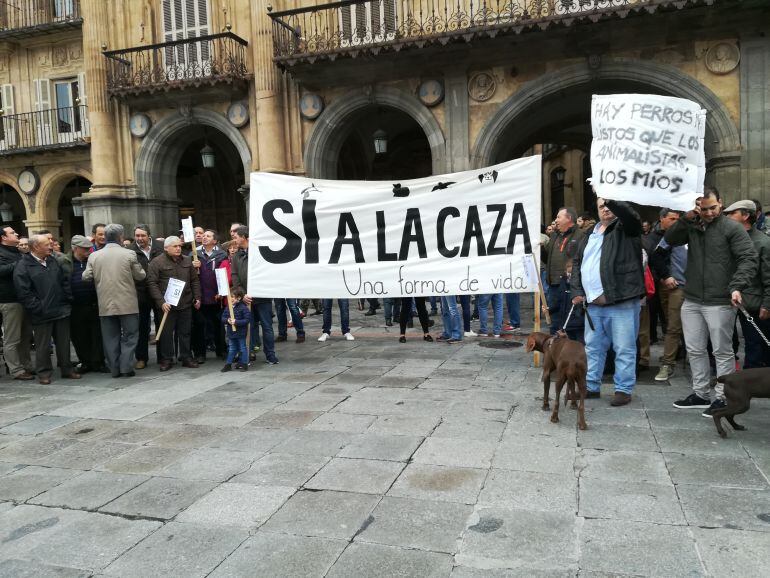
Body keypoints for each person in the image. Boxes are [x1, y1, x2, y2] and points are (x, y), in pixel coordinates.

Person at [665, 189, 757, 415]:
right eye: (702, 208)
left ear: (721, 204)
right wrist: (685, 220)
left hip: (720, 299)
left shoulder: (731, 227)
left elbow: (748, 258)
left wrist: (737, 286)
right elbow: (670, 239)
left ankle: (723, 397)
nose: (708, 213)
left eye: (712, 208)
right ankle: (700, 394)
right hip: (693, 298)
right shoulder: (693, 226)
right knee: (695, 349)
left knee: (722, 351)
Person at [571, 197, 644, 407]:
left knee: (624, 348)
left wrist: (610, 196)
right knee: (593, 348)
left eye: (609, 205)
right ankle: (591, 386)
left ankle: (623, 389)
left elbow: (632, 217)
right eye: (602, 205)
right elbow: (578, 264)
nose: (606, 209)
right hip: (593, 304)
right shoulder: (589, 233)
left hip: (621, 301)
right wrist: (576, 290)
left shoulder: (626, 229)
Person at [13, 234, 80, 385]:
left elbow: (63, 281)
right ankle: (44, 373)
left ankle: (67, 369)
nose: (51, 246)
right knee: (42, 345)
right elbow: (24, 292)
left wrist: (67, 299)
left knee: (63, 343)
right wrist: (38, 307)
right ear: (36, 247)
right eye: (46, 244)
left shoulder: (52, 260)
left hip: (61, 309)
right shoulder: (23, 266)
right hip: (41, 313)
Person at [82, 224, 146, 378]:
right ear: (120, 237)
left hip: (105, 303)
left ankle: (115, 369)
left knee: (110, 338)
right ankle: (125, 367)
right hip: (127, 303)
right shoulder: (129, 254)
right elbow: (141, 276)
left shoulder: (94, 255)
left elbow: (85, 277)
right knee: (130, 335)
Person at [724, 200, 770, 368]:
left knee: (754, 343)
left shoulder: (763, 242)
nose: (727, 216)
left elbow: (768, 277)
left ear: (745, 216)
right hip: (727, 299)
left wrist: (767, 304)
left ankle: (751, 379)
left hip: (753, 302)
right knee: (727, 340)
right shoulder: (727, 239)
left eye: (731, 213)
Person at [147, 236, 202, 371]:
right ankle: (167, 359)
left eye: (179, 246)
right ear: (166, 248)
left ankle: (186, 356)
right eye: (175, 246)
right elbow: (151, 283)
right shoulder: (157, 262)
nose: (178, 248)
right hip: (167, 305)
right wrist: (161, 302)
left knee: (185, 332)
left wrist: (197, 297)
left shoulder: (187, 260)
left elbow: (194, 280)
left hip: (185, 302)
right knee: (166, 333)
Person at [648, 209, 687, 382]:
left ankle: (708, 364)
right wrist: (666, 275)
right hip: (679, 286)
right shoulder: (672, 236)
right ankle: (668, 364)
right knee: (673, 327)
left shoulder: (705, 233)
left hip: (702, 289)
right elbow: (656, 256)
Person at [231, 226, 278, 364]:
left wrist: (260, 290)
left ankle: (270, 354)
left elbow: (266, 273)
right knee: (249, 327)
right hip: (246, 299)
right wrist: (242, 294)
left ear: (245, 237)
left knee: (267, 326)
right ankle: (249, 353)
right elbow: (235, 277)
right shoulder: (236, 256)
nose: (235, 239)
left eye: (236, 236)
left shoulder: (260, 252)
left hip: (262, 297)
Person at [63, 235, 107, 374]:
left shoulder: (92, 260)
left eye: (89, 248)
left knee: (97, 335)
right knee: (79, 336)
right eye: (85, 248)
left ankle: (98, 362)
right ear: (76, 249)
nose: (89, 250)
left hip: (94, 303)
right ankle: (86, 362)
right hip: (75, 305)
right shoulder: (64, 262)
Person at [0, 226, 34, 380]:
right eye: (12, 233)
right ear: (3, 238)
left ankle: (26, 365)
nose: (17, 234)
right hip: (9, 300)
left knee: (25, 336)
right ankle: (16, 370)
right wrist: (20, 264)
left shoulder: (18, 252)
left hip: (23, 299)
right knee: (12, 338)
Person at [129, 224, 164, 369]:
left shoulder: (160, 246)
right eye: (137, 236)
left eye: (142, 235)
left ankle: (163, 357)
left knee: (161, 323)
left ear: (149, 235)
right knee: (142, 327)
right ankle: (141, 357)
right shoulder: (130, 250)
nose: (140, 239)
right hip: (140, 292)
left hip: (159, 291)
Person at [545, 207, 583, 334]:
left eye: (558, 217)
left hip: (569, 287)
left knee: (569, 322)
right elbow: (548, 258)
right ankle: (554, 350)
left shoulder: (580, 236)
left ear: (569, 219)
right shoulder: (555, 235)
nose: (556, 221)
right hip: (553, 286)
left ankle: (568, 351)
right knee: (554, 322)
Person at [193, 229, 227, 362]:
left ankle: (221, 350)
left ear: (215, 240)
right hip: (200, 296)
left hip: (215, 296)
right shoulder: (194, 253)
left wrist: (221, 292)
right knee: (199, 325)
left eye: (208, 236)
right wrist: (192, 265)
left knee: (218, 324)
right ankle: (200, 353)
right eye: (204, 236)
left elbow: (223, 274)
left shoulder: (221, 254)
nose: (204, 237)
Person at [221, 287, 251, 372]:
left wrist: (236, 322)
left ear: (239, 298)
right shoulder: (228, 307)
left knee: (242, 348)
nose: (230, 299)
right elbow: (223, 318)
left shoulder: (243, 308)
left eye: (232, 297)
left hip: (241, 332)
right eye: (229, 297)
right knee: (232, 348)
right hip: (231, 332)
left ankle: (244, 364)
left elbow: (247, 320)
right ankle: (228, 364)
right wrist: (228, 320)